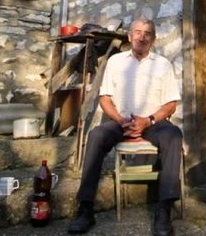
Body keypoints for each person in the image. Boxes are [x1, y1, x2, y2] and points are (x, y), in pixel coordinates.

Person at [68, 18, 182, 236]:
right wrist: (121, 121)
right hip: (121, 122)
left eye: (147, 33)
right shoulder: (116, 62)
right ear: (130, 37)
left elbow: (170, 104)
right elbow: (105, 98)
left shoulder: (163, 64)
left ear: (153, 39)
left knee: (174, 134)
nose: (141, 37)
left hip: (152, 122)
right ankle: (85, 209)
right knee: (96, 135)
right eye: (137, 32)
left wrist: (148, 120)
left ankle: (164, 211)